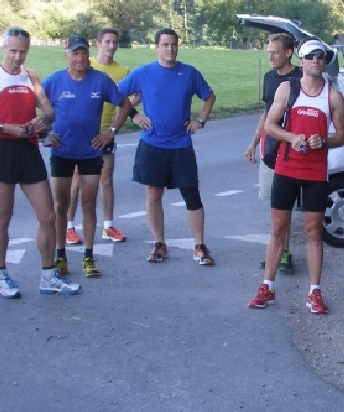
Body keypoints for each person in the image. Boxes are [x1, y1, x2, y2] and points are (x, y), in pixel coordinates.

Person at [0, 26, 80, 298]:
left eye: (22, 51)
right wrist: (6, 127)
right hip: (2, 149)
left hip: (29, 148)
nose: (17, 57)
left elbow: (48, 110)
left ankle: (48, 276)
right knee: (3, 217)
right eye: (13, 51)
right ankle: (1, 275)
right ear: (3, 49)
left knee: (48, 215)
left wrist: (43, 120)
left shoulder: (31, 76)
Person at [248, 39, 344, 313]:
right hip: (286, 168)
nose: (316, 60)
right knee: (278, 229)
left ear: (325, 61)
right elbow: (270, 124)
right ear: (301, 61)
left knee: (314, 231)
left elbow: (341, 135)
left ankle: (315, 292)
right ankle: (267, 285)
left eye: (320, 56)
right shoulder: (287, 88)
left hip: (315, 172)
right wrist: (292, 137)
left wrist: (323, 141)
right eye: (310, 56)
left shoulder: (333, 96)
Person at [119, 28, 217, 265]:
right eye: (165, 45)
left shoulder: (189, 73)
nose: (170, 49)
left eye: (173, 44)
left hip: (181, 143)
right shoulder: (143, 73)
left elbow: (209, 96)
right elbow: (116, 94)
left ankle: (199, 245)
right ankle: (159, 243)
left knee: (191, 193)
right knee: (153, 194)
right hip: (152, 143)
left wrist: (200, 121)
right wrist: (134, 115)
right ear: (156, 47)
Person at [43, 35, 133, 278]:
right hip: (62, 151)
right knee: (60, 204)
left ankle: (89, 256)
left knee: (89, 204)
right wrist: (46, 133)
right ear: (67, 56)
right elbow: (37, 106)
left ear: (88, 54)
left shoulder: (100, 80)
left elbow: (125, 105)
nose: (79, 57)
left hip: (90, 151)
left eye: (83, 52)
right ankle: (60, 254)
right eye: (74, 53)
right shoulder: (54, 81)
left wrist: (110, 132)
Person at [64, 28, 133, 246]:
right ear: (98, 43)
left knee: (106, 179)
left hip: (104, 133)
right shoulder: (86, 62)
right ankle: (69, 227)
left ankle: (108, 226)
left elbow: (128, 99)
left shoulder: (123, 71)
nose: (111, 46)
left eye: (115, 42)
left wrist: (115, 126)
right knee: (76, 181)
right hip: (82, 132)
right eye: (107, 42)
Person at [245, 33, 302, 274]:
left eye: (275, 52)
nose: (270, 56)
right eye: (268, 51)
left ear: (289, 52)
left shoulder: (302, 77)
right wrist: (253, 142)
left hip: (295, 149)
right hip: (271, 148)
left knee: (287, 205)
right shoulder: (269, 78)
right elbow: (266, 114)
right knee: (275, 205)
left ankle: (285, 254)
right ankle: (279, 251)